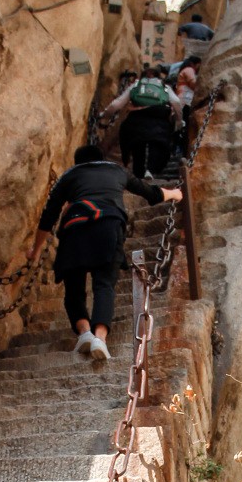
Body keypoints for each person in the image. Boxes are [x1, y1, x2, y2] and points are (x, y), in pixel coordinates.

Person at [30, 145, 181, 362]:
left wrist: (35, 251)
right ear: (101, 158)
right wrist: (175, 193)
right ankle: (100, 337)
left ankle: (84, 333)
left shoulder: (69, 175)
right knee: (104, 284)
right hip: (108, 225)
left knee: (74, 287)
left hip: (74, 226)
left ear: (78, 162)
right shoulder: (116, 170)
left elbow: (48, 215)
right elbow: (150, 192)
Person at [103, 63, 183, 179]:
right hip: (159, 121)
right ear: (158, 76)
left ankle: (138, 174)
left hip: (136, 120)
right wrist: (179, 121)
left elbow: (117, 104)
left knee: (137, 147)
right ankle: (150, 170)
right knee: (158, 146)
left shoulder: (136, 85)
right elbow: (176, 102)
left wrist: (104, 115)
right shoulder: (164, 87)